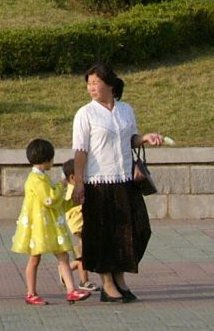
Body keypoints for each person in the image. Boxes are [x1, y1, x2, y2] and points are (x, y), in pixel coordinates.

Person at [70, 62, 165, 303]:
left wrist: (145, 138)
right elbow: (80, 150)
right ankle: (108, 282)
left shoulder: (125, 110)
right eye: (89, 83)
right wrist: (79, 182)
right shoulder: (85, 113)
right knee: (104, 233)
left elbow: (130, 138)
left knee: (136, 229)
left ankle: (120, 276)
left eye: (96, 83)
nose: (91, 87)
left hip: (125, 179)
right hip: (98, 181)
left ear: (110, 84)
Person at [11, 139, 89, 304]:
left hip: (50, 225)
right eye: (51, 159)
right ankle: (31, 293)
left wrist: (73, 201)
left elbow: (57, 202)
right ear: (46, 160)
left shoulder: (43, 178)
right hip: (39, 227)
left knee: (63, 256)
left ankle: (71, 290)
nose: (53, 163)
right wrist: (62, 185)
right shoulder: (35, 179)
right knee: (35, 258)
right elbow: (50, 199)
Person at [62, 158, 97, 291]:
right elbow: (77, 209)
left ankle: (68, 269)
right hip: (79, 226)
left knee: (84, 252)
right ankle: (83, 280)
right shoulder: (75, 191)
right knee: (83, 253)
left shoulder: (74, 188)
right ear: (72, 177)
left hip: (80, 225)